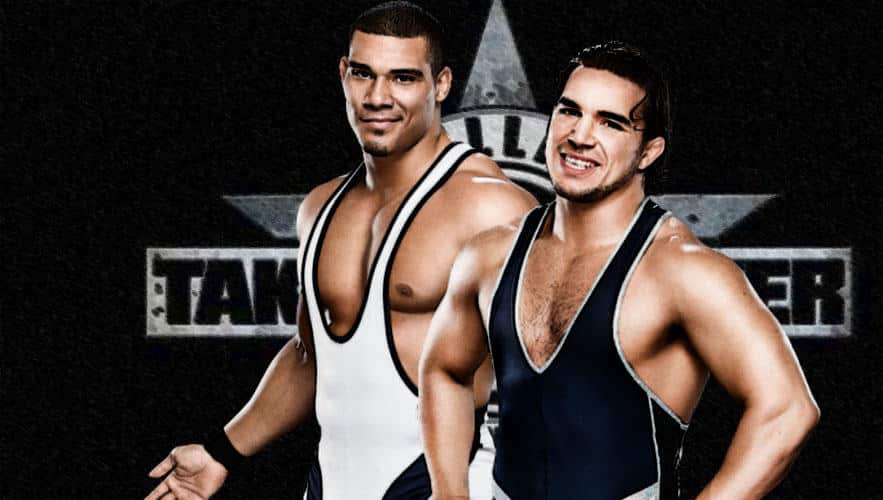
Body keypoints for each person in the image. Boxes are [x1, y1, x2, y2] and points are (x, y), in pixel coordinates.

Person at [145, 3, 536, 499]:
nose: (377, 97)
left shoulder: (490, 206)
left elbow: (564, 370)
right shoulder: (320, 207)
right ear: (343, 74)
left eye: (403, 78)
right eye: (363, 74)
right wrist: (222, 452)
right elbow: (311, 358)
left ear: (440, 85)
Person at [419, 41, 820, 500]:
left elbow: (787, 410)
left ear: (648, 152)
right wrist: (449, 492)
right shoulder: (490, 255)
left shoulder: (681, 271)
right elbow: (445, 370)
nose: (580, 135)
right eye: (570, 111)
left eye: (610, 123)